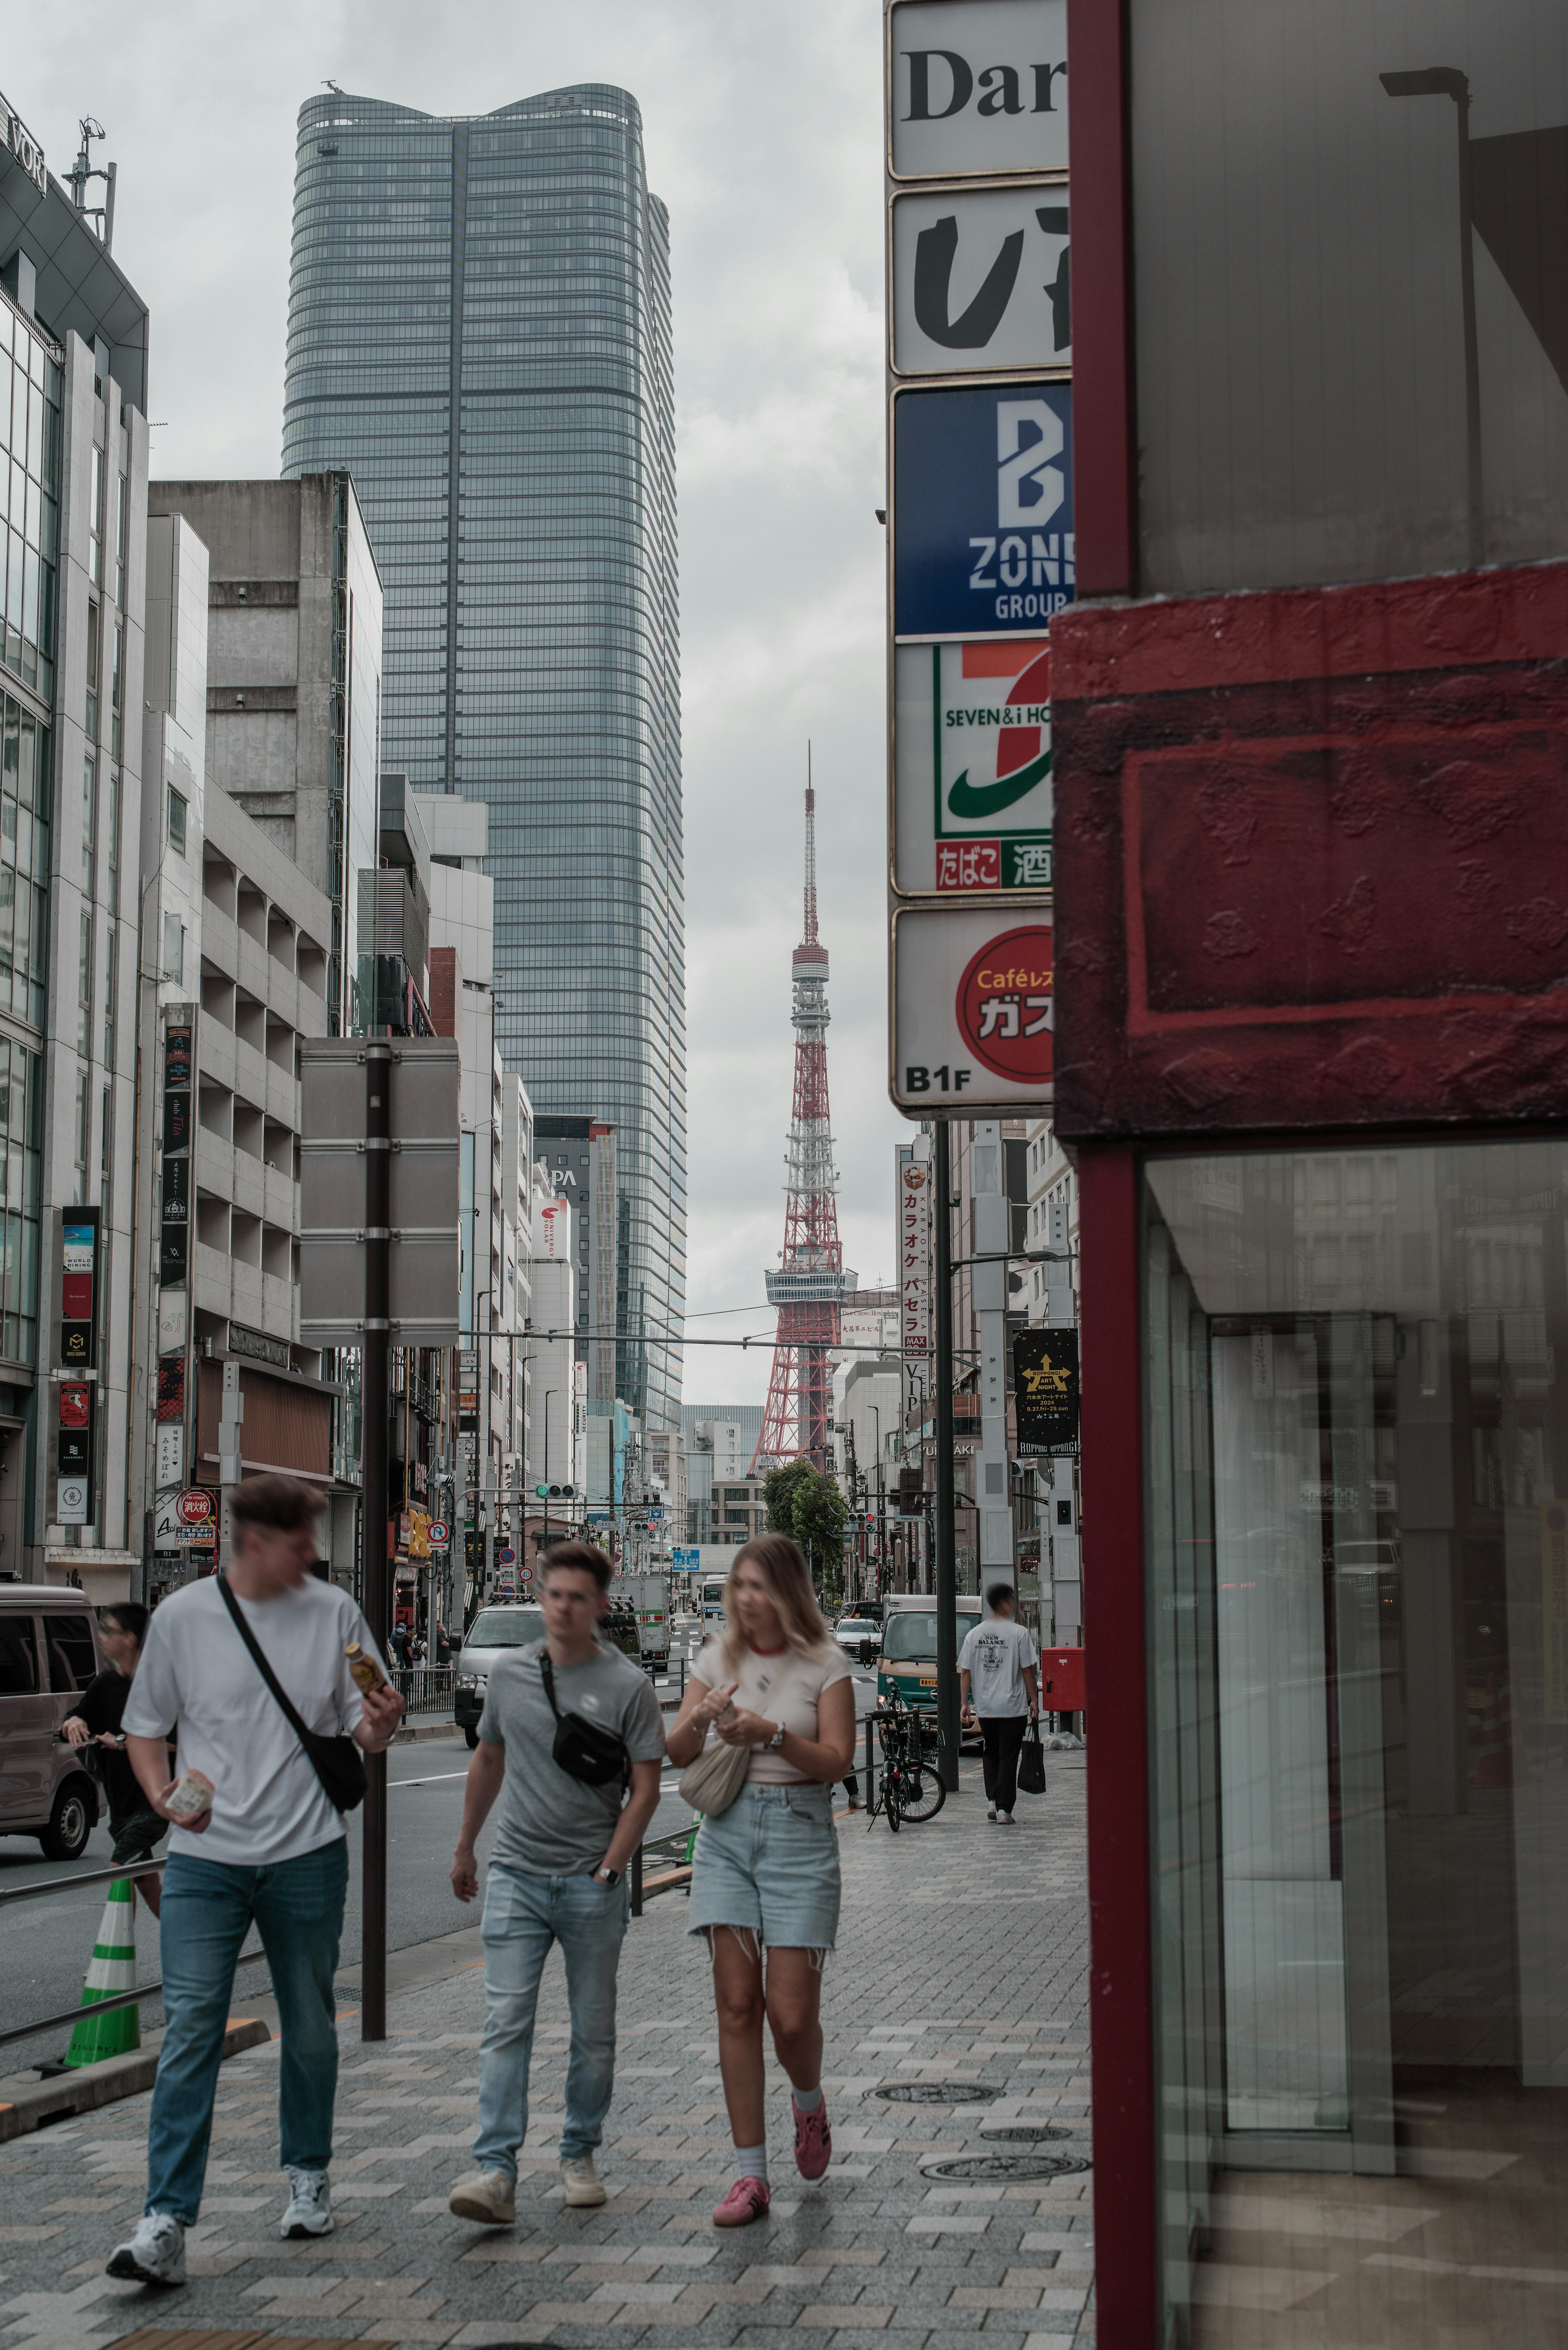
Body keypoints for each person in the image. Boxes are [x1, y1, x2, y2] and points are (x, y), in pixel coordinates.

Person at [106, 1474, 404, 2290]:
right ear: (253, 1544)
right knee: (193, 2024)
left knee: (309, 2024)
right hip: (205, 1861)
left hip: (307, 1853)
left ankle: (308, 2177)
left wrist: (382, 1720)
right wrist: (165, 1797)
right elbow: (145, 1729)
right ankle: (165, 2220)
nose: (314, 1555)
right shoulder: (183, 1619)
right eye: (302, 1542)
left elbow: (372, 1723)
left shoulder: (334, 1615)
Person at [445, 1540, 665, 2225]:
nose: (563, 1607)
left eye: (577, 1597)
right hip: (515, 1870)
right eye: (553, 1595)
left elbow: (647, 1787)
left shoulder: (628, 1683)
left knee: (592, 2029)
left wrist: (610, 1868)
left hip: (589, 1883)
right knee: (505, 2020)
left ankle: (578, 2151)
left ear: (600, 1603)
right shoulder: (512, 1674)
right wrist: (466, 1848)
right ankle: (496, 2169)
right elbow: (488, 1757)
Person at [665, 1534, 856, 2229]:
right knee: (737, 2004)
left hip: (802, 1836)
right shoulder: (716, 1656)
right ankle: (751, 2174)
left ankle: (808, 2099)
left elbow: (837, 1760)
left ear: (788, 1591)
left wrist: (769, 1733)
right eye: (739, 1584)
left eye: (760, 1585)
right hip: (727, 1836)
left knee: (792, 2014)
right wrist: (704, 1715)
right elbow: (677, 1750)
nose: (746, 1597)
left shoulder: (825, 1663)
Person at [62, 1601, 166, 1915]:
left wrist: (121, 1742)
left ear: (131, 1639)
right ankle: (195, 1949)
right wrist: (74, 1723)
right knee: (145, 1882)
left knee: (119, 1870)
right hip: (121, 1802)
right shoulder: (105, 1683)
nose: (102, 1636)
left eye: (109, 1630)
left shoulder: (159, 1684)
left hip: (156, 1801)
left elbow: (180, 1739)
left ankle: (119, 1961)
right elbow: (74, 1718)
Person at [958, 1583, 1040, 1825]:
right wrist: (1034, 1699)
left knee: (990, 1753)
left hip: (986, 1707)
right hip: (1012, 1707)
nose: (1013, 1606)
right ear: (1004, 1603)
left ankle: (992, 1802)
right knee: (1008, 1756)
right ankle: (1004, 1808)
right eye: (1012, 1601)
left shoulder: (975, 1634)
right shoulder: (1018, 1633)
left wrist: (965, 1704)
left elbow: (965, 1672)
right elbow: (1027, 1669)